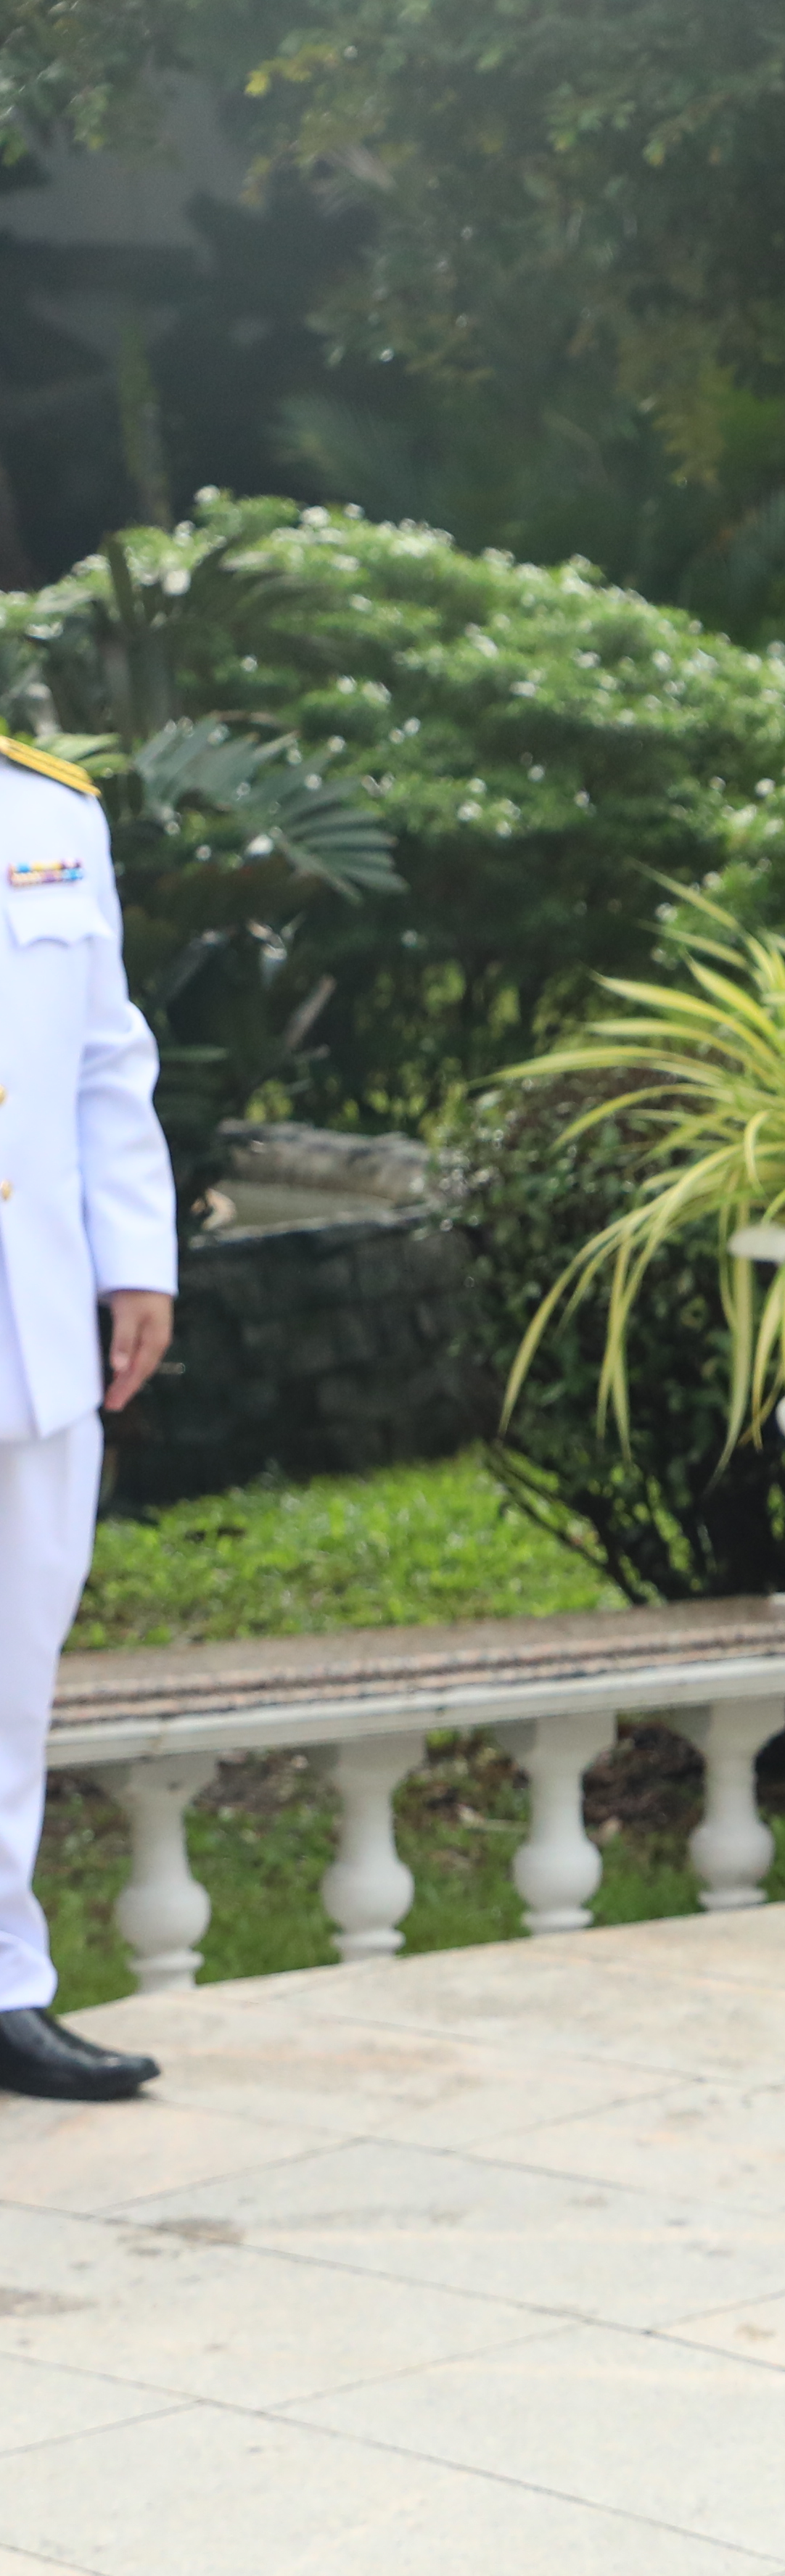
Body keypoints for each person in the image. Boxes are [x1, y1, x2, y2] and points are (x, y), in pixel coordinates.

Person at [0, 732, 171, 2103]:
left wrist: (138, 1261)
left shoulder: (51, 810)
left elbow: (109, 1058)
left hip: (34, 1332)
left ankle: (3, 1989)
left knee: (11, 1681)